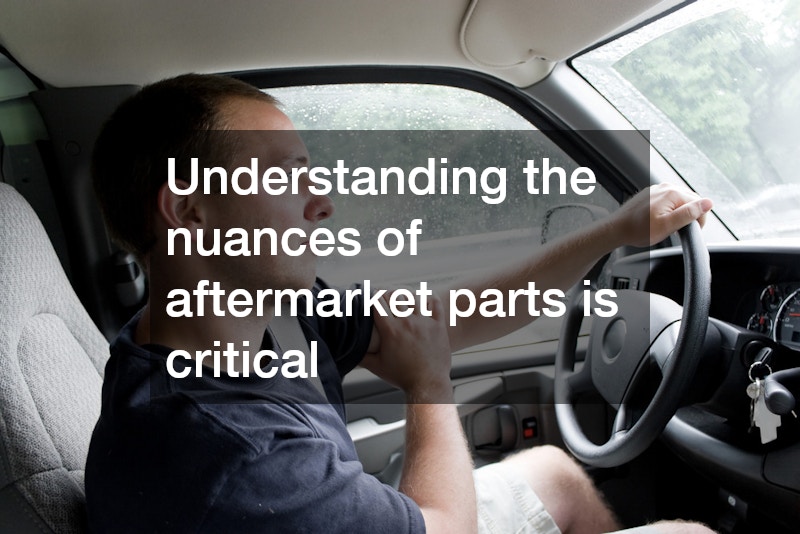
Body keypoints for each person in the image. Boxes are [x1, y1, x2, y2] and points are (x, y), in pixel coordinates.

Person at [86, 73, 716, 534]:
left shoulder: (250, 315)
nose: (322, 202)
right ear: (188, 210)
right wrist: (428, 384)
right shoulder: (229, 455)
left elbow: (441, 321)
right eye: (285, 175)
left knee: (554, 471)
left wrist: (612, 231)